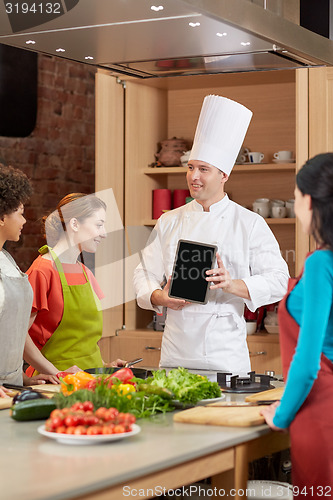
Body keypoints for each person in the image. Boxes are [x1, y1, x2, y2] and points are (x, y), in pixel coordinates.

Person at [134, 95, 289, 374]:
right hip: (176, 354)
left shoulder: (249, 223)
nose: (194, 176)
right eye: (191, 167)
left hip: (226, 356)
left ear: (224, 175)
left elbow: (279, 281)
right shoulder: (169, 221)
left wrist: (231, 284)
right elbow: (142, 273)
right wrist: (159, 296)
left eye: (204, 169)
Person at [261, 153, 333, 491]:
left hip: (320, 414)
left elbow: (307, 363)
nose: (294, 202)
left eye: (295, 196)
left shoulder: (322, 263)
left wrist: (281, 414)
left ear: (310, 200)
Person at [25, 193, 125, 374]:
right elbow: (19, 337)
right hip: (55, 384)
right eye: (99, 225)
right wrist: (57, 374)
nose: (104, 233)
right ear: (74, 224)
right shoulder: (42, 271)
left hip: (91, 379)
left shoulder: (85, 272)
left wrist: (104, 365)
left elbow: (82, 340)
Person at [0, 164, 58, 398]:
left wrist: (24, 378)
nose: (24, 221)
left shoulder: (7, 260)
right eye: (20, 212)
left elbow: (12, 330)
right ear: (2, 216)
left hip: (12, 389)